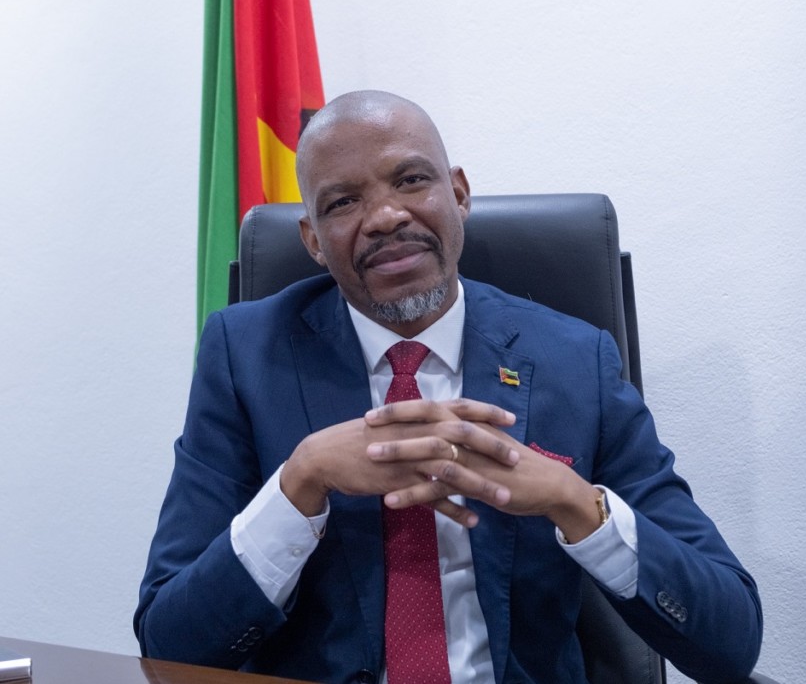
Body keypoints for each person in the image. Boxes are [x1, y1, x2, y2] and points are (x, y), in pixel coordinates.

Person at [135, 90, 763, 683]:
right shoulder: (245, 356)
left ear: (458, 194)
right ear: (313, 242)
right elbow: (171, 642)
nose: (385, 216)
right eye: (343, 203)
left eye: (411, 180)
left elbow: (730, 639)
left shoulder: (575, 360)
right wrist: (299, 482)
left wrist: (578, 505)